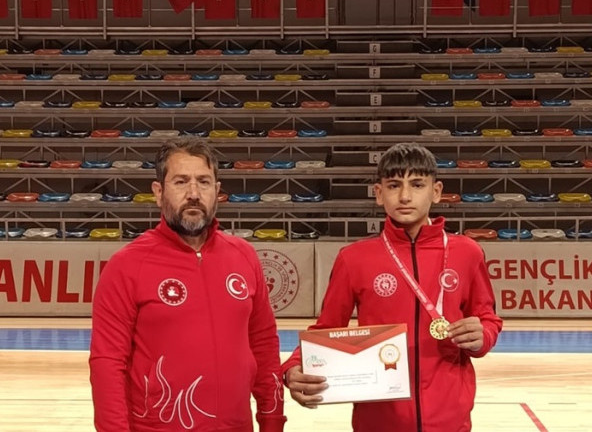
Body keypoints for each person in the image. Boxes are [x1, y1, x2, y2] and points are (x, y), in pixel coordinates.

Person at [282, 142, 502, 432]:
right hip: (379, 421)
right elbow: (326, 327)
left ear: (436, 192)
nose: (405, 196)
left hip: (450, 420)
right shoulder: (354, 259)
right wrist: (292, 368)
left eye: (417, 184)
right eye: (394, 185)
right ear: (378, 193)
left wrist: (483, 335)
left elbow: (488, 318)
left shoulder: (467, 253)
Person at [89, 138, 286, 432]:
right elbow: (107, 364)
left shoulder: (244, 257)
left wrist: (272, 424)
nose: (193, 193)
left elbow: (265, 348)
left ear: (217, 193)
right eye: (181, 182)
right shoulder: (126, 266)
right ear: (159, 192)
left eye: (204, 182)